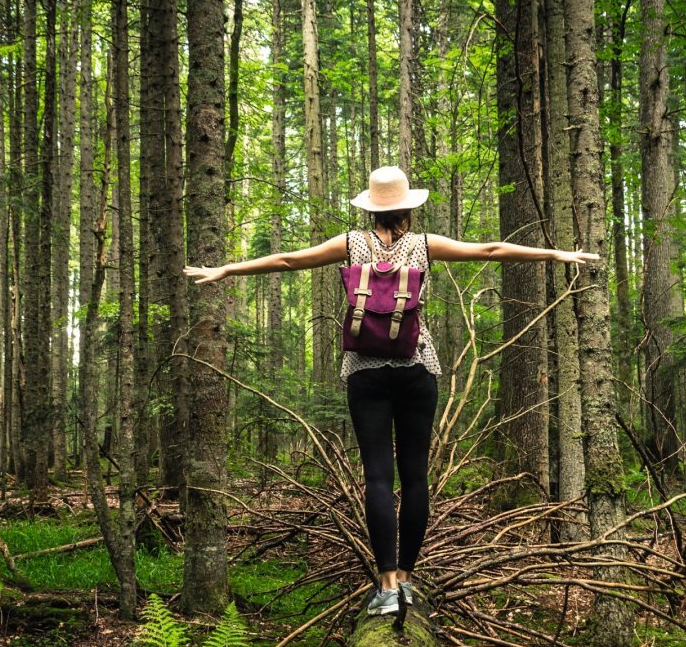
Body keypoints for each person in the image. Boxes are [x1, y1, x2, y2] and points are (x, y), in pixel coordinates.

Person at [184, 165, 599, 617]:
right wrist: (556, 255)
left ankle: (384, 585)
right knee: (415, 475)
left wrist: (225, 270)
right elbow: (492, 249)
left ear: (371, 207)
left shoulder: (349, 244)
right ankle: (407, 579)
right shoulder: (424, 245)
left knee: (378, 477)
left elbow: (286, 260)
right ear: (407, 206)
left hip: (365, 370)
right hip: (417, 366)